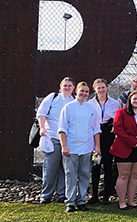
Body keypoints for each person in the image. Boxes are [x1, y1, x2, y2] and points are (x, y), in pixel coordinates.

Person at [58, 82, 101, 213]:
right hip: (71, 147)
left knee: (84, 175)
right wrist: (64, 146)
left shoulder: (91, 109)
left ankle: (81, 200)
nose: (84, 94)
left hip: (87, 147)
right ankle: (70, 202)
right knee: (71, 175)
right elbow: (62, 129)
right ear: (76, 91)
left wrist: (97, 146)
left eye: (86, 92)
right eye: (82, 91)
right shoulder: (68, 107)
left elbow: (96, 129)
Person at [110, 90, 137, 210]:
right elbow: (119, 129)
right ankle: (122, 202)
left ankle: (131, 201)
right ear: (129, 100)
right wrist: (134, 142)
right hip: (124, 149)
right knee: (123, 175)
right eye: (134, 99)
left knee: (134, 176)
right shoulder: (121, 112)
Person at [37, 77, 76, 204]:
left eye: (70, 85)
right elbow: (41, 113)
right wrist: (42, 128)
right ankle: (46, 195)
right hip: (52, 137)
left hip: (68, 140)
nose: (67, 87)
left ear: (74, 88)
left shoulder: (74, 101)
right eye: (65, 85)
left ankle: (62, 195)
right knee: (50, 168)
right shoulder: (53, 98)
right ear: (60, 86)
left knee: (65, 168)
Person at [88, 78, 121, 204]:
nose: (101, 90)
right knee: (96, 165)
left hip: (108, 134)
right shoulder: (90, 103)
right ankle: (94, 195)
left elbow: (117, 119)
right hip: (95, 134)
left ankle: (106, 194)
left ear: (107, 88)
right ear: (95, 89)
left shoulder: (115, 102)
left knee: (107, 165)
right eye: (98, 88)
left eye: (103, 87)